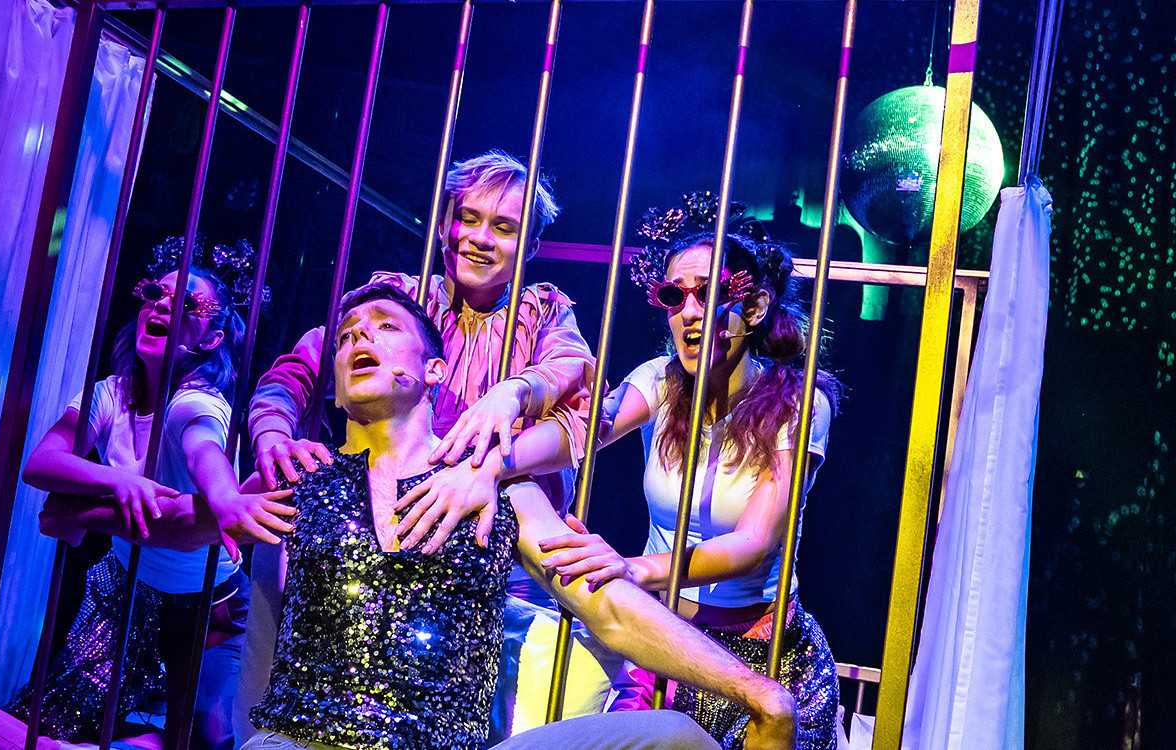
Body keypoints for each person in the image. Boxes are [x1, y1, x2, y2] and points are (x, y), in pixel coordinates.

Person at [43, 285, 801, 750]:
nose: (358, 339)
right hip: (304, 741)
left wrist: (753, 689)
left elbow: (610, 610)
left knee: (674, 738)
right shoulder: (301, 479)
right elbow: (174, 520)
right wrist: (94, 507)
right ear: (334, 389)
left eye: (381, 327)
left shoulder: (496, 487)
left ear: (434, 370)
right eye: (347, 337)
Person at [520, 194, 846, 750]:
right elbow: (581, 432)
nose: (690, 312)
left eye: (710, 293)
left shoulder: (799, 402)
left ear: (756, 306)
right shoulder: (658, 380)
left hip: (760, 655)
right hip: (663, 642)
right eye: (675, 296)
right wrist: (492, 456)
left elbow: (752, 545)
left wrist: (631, 569)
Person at [249, 150, 594, 553]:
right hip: (377, 528)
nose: (481, 238)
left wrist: (514, 391)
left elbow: (579, 396)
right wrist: (273, 435)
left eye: (503, 227)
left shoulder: (541, 313)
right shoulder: (395, 303)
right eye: (467, 218)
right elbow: (297, 372)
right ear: (441, 226)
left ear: (531, 247)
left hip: (506, 543)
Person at [7, 237, 266, 749]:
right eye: (154, 293)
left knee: (210, 736)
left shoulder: (196, 401)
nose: (161, 304)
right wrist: (121, 480)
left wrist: (226, 500)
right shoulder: (108, 394)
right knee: (58, 719)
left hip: (211, 609)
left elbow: (204, 450)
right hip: (125, 593)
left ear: (211, 338)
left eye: (185, 302)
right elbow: (41, 463)